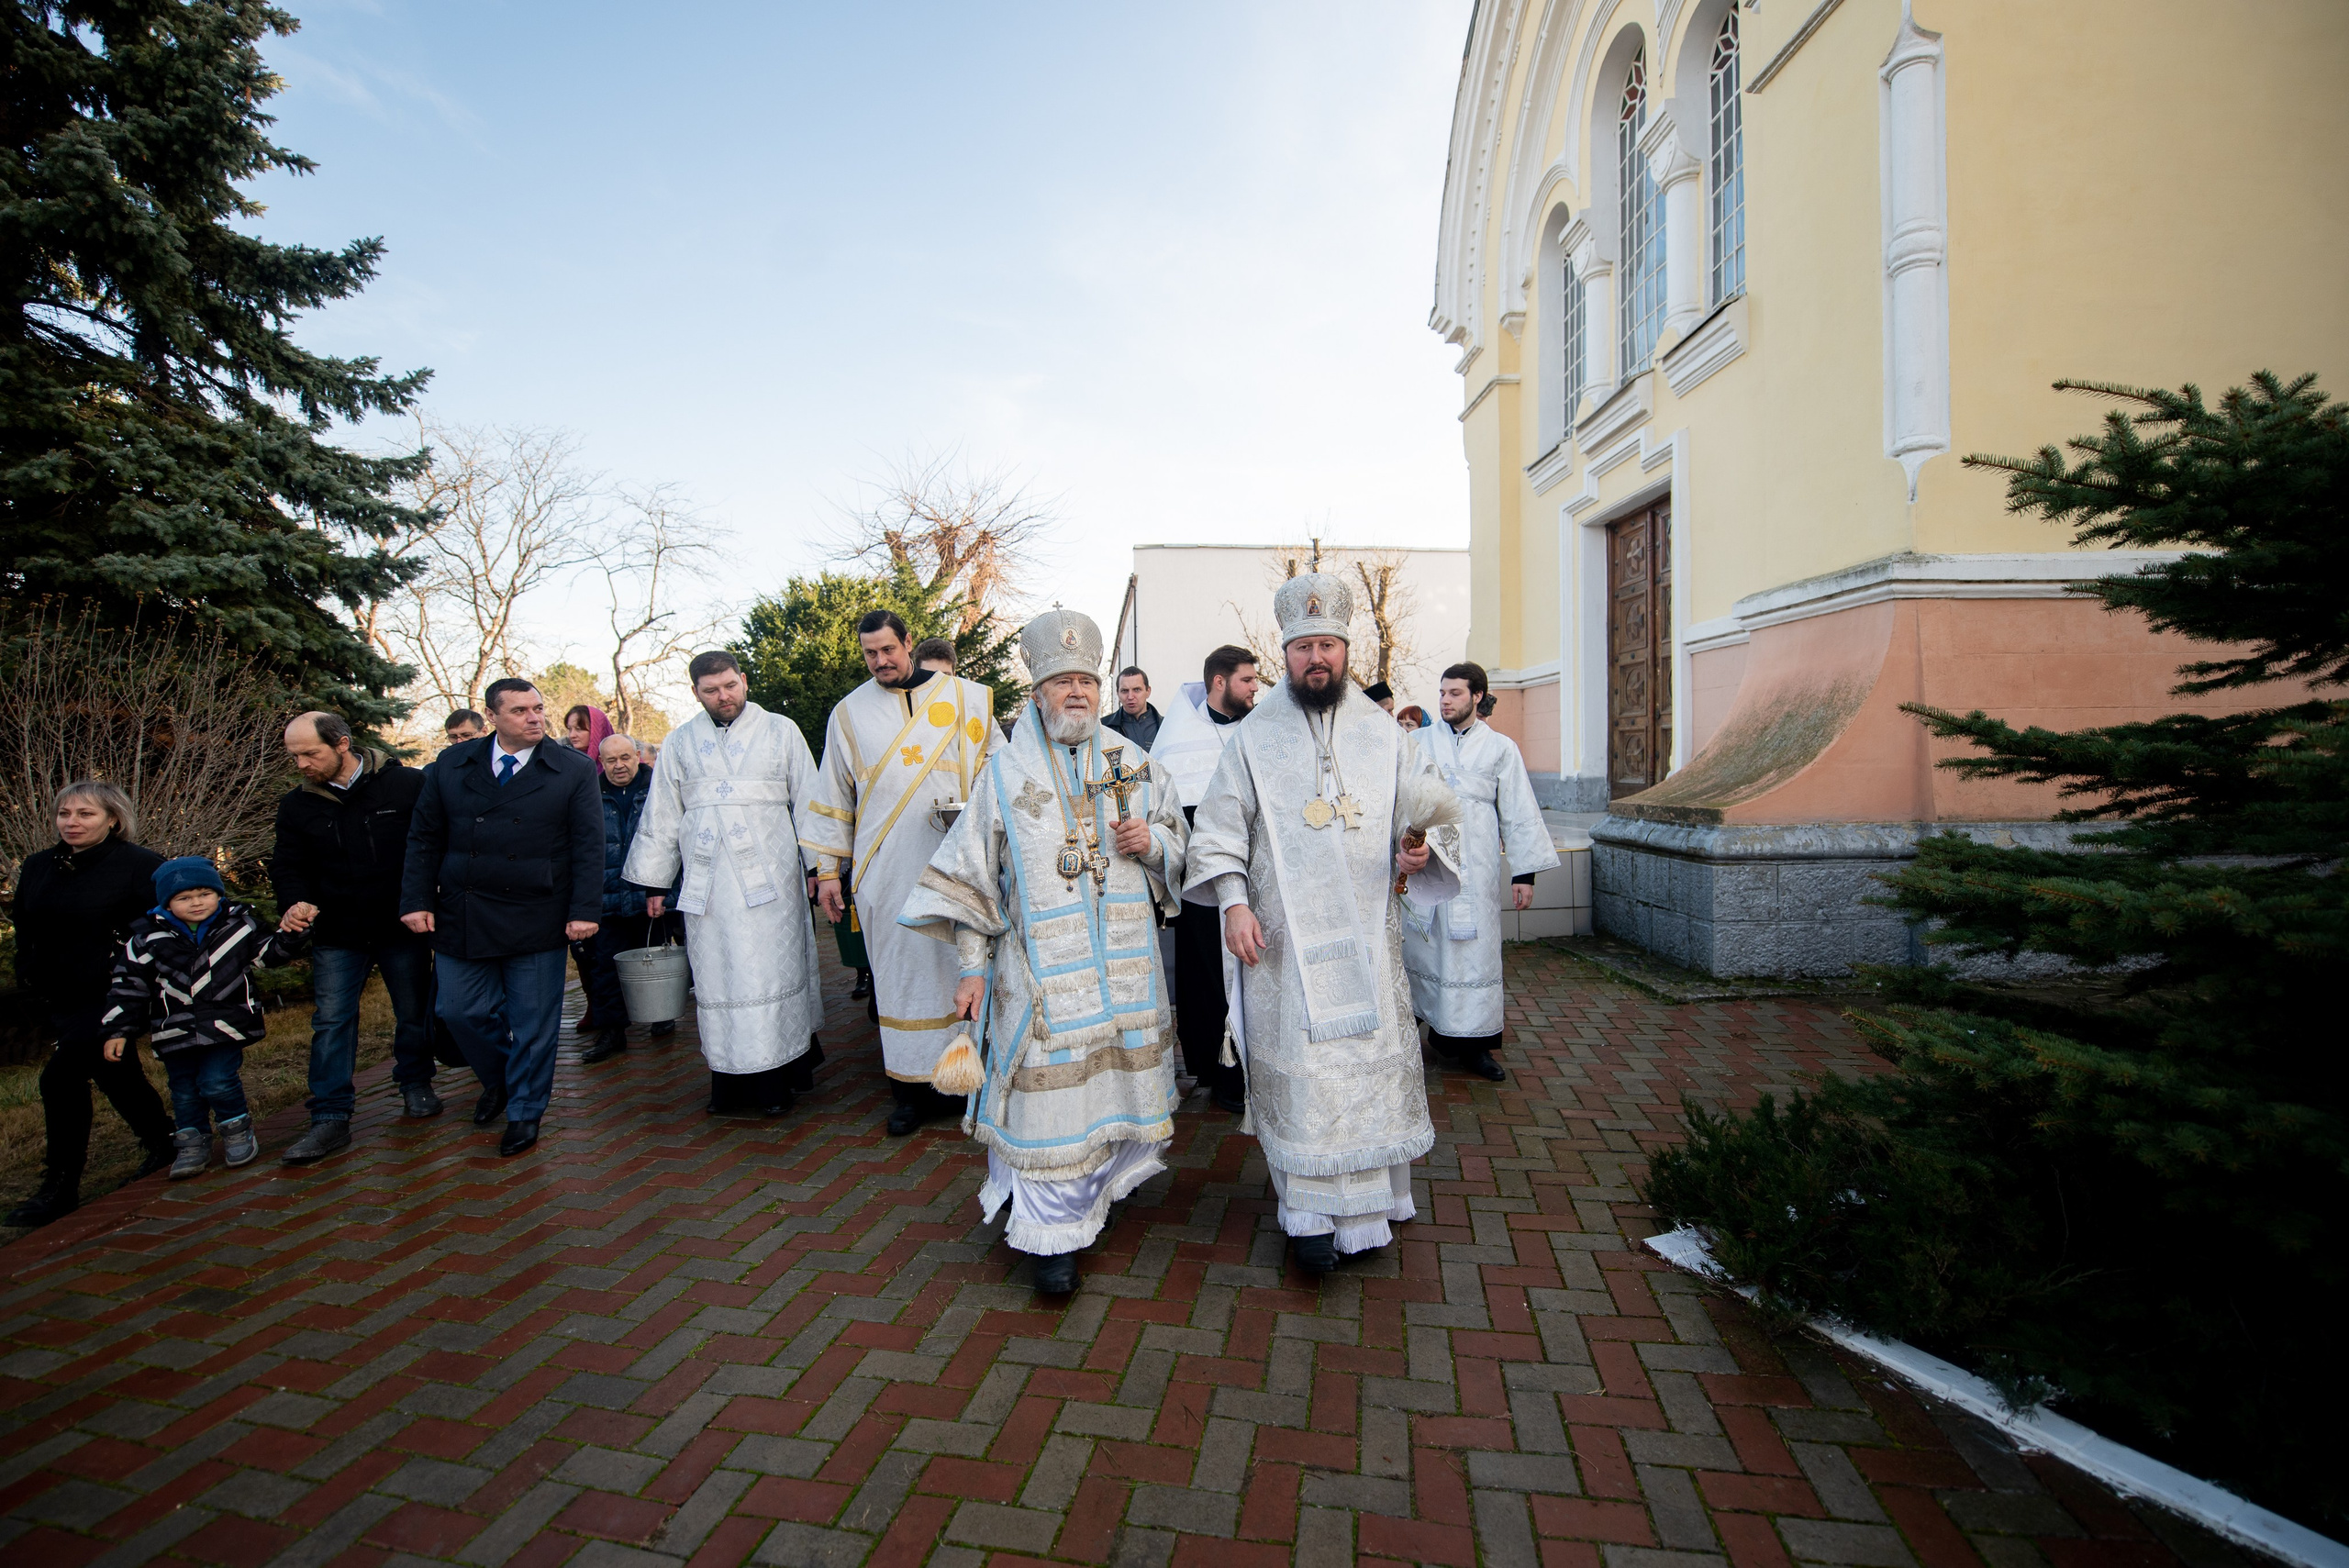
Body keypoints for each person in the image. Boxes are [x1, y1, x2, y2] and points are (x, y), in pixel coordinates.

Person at [899, 609, 1188, 1295]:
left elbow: (1181, 850)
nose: (1078, 693)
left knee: (1109, 1097)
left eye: (1087, 679)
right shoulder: (1002, 775)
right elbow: (973, 880)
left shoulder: (1137, 765)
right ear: (1037, 693)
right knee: (1049, 1110)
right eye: (1063, 682)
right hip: (1040, 982)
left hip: (1120, 975)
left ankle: (1091, 1201)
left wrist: (1154, 847)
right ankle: (1049, 1239)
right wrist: (971, 967)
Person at [1186, 573, 1460, 1275]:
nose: (1317, 658)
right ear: (1284, 652)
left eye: (1328, 645)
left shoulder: (1386, 735)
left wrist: (1416, 848)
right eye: (1304, 645)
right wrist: (1235, 901)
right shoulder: (1251, 738)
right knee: (1308, 1067)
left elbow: (1420, 825)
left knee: (1360, 1065)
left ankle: (1366, 1211)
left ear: (1346, 650)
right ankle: (1306, 1214)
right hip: (1284, 946)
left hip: (1368, 938)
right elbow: (1218, 830)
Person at [806, 610, 1001, 1134]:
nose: (880, 662)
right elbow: (832, 796)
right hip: (884, 867)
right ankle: (908, 1092)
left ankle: (966, 1081)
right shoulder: (848, 714)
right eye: (870, 654)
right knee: (898, 980)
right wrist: (828, 871)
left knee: (962, 968)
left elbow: (1001, 771)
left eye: (888, 650)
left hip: (957, 861)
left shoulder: (969, 699)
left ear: (908, 643)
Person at [401, 678, 604, 1157]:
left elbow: (589, 846)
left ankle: (525, 1111)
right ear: (492, 716)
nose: (535, 718)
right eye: (520, 711)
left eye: (538, 709)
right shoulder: (452, 764)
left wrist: (584, 912)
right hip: (462, 910)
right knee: (458, 1011)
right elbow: (424, 837)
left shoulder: (571, 769)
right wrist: (415, 899)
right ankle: (502, 1079)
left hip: (537, 910)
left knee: (534, 1024)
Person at [624, 651, 829, 1116]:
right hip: (709, 887)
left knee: (774, 970)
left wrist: (820, 868)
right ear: (696, 692)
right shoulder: (678, 742)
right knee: (719, 978)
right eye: (711, 690)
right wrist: (655, 883)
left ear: (745, 681)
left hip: (773, 883)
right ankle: (733, 1084)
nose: (723, 697)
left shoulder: (781, 730)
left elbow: (811, 800)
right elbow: (662, 814)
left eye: (730, 686)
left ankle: (783, 1077)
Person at [271, 712, 438, 1169]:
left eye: (311, 753)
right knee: (332, 1022)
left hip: (400, 926)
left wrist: (424, 902)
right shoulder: (297, 805)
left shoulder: (405, 785)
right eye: (295, 756)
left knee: (412, 1010)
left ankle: (416, 1083)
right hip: (338, 932)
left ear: (342, 744)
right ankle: (330, 1115)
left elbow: (430, 846)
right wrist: (295, 901)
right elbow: (287, 864)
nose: (301, 764)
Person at [6, 783, 174, 1226]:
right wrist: (29, 966)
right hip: (62, 993)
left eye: (85, 814)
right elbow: (24, 919)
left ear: (113, 819)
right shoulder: (40, 865)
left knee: (60, 1080)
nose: (72, 823)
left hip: (118, 992)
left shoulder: (139, 865)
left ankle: (59, 1186)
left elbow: (173, 920)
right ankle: (165, 1141)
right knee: (114, 1070)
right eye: (65, 814)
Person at [104, 857, 308, 1179]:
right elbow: (127, 985)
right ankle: (192, 1143)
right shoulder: (147, 938)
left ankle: (236, 1130)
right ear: (167, 903)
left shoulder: (239, 925)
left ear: (218, 894)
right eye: (184, 898)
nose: (196, 903)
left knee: (218, 1082)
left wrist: (292, 933)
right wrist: (118, 1029)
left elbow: (269, 956)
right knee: (183, 1090)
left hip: (225, 1025)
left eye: (204, 894)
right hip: (174, 1029)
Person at [1402, 663, 1558, 1083]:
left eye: (1455, 693)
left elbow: (1519, 811)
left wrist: (1524, 874)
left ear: (1477, 697)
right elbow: (1397, 801)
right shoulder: (1416, 743)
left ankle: (1476, 1047)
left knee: (1475, 956)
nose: (1445, 701)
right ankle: (1408, 1039)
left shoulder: (1501, 748)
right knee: (1421, 949)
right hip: (1429, 865)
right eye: (1442, 693)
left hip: (1479, 869)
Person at [1146, 645, 1260, 1112]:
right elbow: (1167, 816)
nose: (1256, 687)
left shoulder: (1261, 727)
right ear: (1219, 682)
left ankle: (1259, 1064)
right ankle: (1221, 1070)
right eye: (1247, 680)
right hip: (1202, 882)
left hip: (1254, 876)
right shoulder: (1176, 738)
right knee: (1210, 976)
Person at [576, 732, 676, 1064]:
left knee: (656, 960)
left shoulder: (658, 788)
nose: (618, 766)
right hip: (606, 896)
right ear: (600, 763)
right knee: (604, 967)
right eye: (610, 760)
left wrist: (663, 888)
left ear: (638, 756)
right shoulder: (589, 792)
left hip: (651, 893)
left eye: (624, 758)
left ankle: (662, 1013)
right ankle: (612, 1031)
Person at [1102, 667, 1163, 751]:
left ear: (1148, 691)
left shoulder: (1166, 727)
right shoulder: (1103, 728)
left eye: (1137, 690)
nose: (1130, 697)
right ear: (1117, 693)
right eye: (1124, 691)